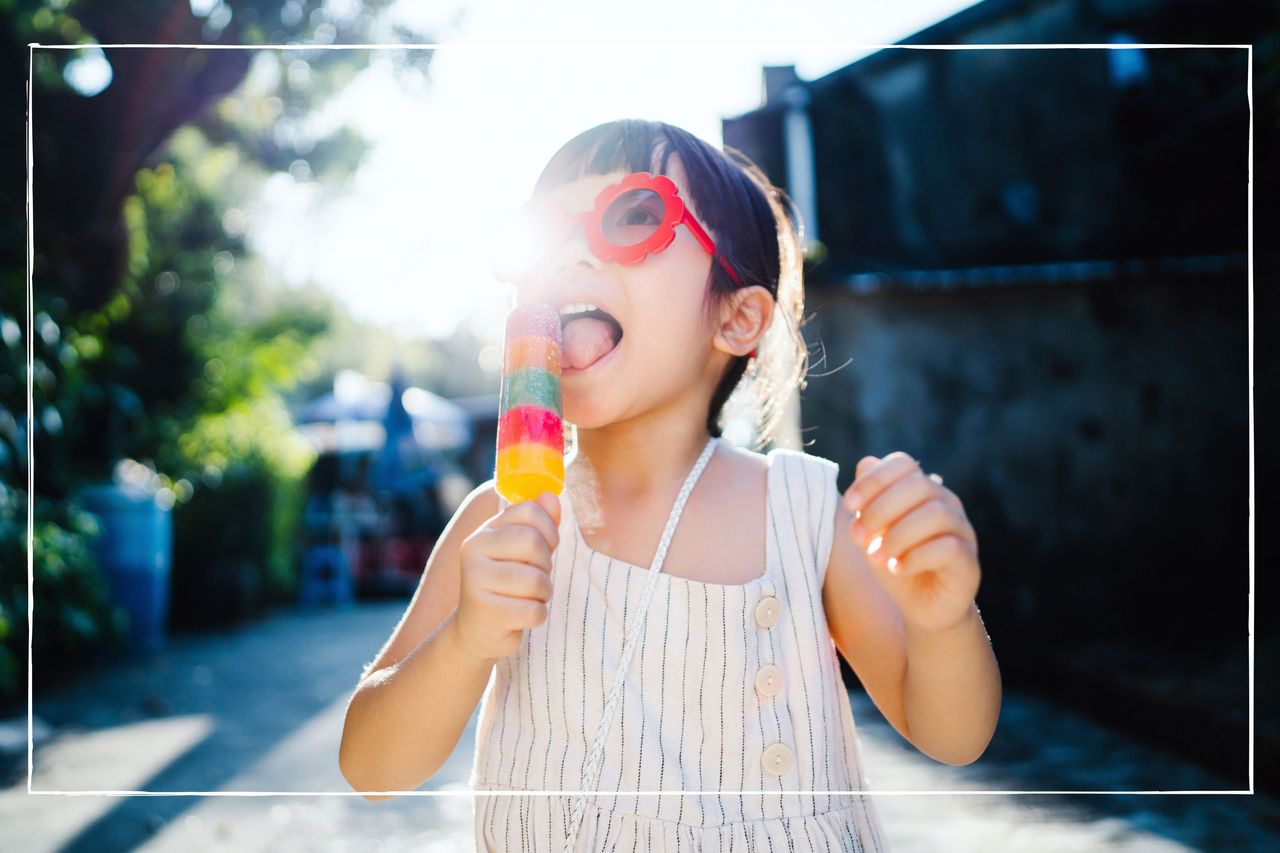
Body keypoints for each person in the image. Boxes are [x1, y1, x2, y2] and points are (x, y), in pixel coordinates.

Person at [338, 119, 1002, 851]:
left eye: (633, 217)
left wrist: (943, 622)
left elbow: (952, 736)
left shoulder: (803, 514)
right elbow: (370, 765)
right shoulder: (499, 517)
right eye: (545, 231)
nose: (570, 253)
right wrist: (463, 639)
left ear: (735, 316)